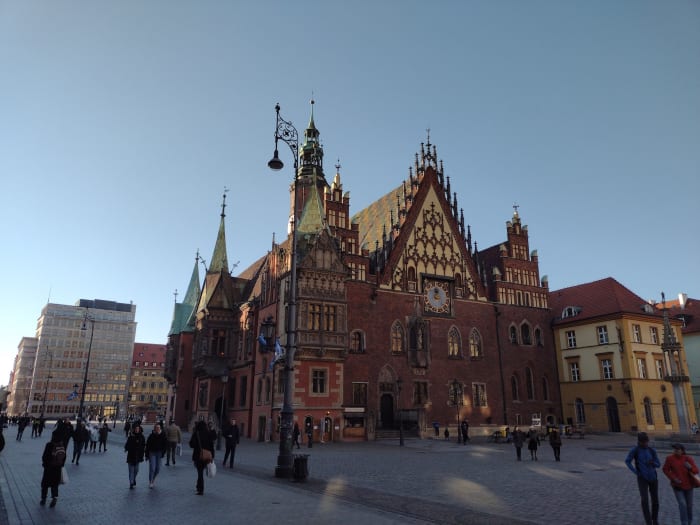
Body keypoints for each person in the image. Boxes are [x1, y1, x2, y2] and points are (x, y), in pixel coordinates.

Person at [625, 432, 661, 525]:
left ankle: (655, 520)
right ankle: (648, 521)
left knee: (655, 500)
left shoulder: (651, 450)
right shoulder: (635, 450)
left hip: (653, 477)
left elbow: (658, 464)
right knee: (644, 500)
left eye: (646, 442)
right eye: (643, 442)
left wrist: (653, 463)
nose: (645, 444)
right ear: (639, 442)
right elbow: (627, 461)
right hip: (642, 478)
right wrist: (636, 472)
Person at [663, 442, 699, 525]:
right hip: (677, 486)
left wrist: (690, 467)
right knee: (682, 504)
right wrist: (673, 478)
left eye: (677, 449)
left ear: (682, 450)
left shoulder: (688, 458)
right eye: (674, 449)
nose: (675, 451)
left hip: (689, 486)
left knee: (689, 506)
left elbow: (696, 471)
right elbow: (665, 469)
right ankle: (684, 522)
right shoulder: (669, 458)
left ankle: (690, 521)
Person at [40, 430, 66, 508]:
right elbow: (64, 457)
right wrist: (61, 465)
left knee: (45, 484)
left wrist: (44, 464)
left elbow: (45, 456)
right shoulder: (62, 445)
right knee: (55, 485)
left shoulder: (49, 445)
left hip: (49, 468)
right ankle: (54, 498)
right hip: (57, 469)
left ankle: (43, 499)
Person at [189, 420, 215, 495]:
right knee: (200, 473)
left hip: (198, 456)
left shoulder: (196, 433)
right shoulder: (208, 434)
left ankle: (200, 489)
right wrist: (212, 456)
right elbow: (212, 446)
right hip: (207, 456)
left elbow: (191, 444)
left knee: (200, 473)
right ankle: (198, 486)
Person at [145, 423, 167, 488]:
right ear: (154, 429)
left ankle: (153, 479)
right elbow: (147, 446)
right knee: (152, 468)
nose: (157, 429)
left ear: (160, 428)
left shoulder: (163, 435)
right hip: (152, 453)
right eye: (156, 428)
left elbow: (165, 445)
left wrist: (163, 453)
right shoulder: (151, 436)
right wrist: (146, 455)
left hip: (159, 453)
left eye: (158, 428)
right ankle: (151, 482)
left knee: (158, 469)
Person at [124, 423, 145, 489]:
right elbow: (127, 444)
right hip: (131, 455)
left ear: (139, 429)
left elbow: (143, 446)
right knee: (131, 471)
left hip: (138, 456)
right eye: (135, 429)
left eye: (138, 429)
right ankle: (131, 483)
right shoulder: (131, 436)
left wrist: (143, 453)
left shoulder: (142, 437)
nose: (136, 430)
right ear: (134, 429)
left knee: (136, 470)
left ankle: (133, 479)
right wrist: (126, 448)